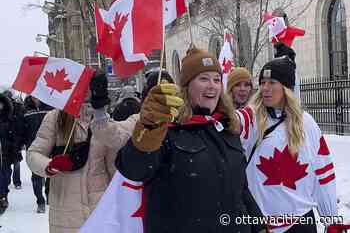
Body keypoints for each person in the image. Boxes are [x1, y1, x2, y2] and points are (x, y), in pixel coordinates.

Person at [116, 48, 267, 233]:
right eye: (203, 79)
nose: (212, 85)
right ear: (187, 87)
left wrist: (258, 226)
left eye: (216, 79)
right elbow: (134, 169)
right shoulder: (165, 130)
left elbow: (241, 189)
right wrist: (149, 128)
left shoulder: (227, 129)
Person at [237, 45, 337, 232]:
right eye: (263, 82)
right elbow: (233, 122)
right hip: (262, 226)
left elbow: (324, 173)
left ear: (287, 88)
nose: (265, 88)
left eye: (272, 82)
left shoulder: (306, 123)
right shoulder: (253, 117)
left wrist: (331, 220)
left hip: (301, 224)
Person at [26, 74, 138, 233]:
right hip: (65, 209)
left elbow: (112, 165)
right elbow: (33, 154)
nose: (85, 91)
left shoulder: (103, 120)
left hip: (99, 207)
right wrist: (49, 165)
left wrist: (122, 196)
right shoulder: (55, 118)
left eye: (89, 86)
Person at [23, 96, 53, 213]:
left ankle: (49, 194)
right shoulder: (26, 110)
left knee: (51, 172)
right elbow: (21, 129)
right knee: (36, 175)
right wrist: (21, 142)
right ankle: (40, 201)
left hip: (51, 147)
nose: (36, 98)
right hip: (34, 147)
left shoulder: (51, 108)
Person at [0, 93, 22, 214]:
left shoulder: (10, 118)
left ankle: (4, 194)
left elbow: (15, 135)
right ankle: (1, 197)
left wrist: (14, 146)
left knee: (6, 176)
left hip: (6, 153)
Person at [3, 90, 24, 190]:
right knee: (6, 163)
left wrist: (20, 139)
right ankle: (6, 181)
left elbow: (20, 124)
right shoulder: (3, 109)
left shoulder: (17, 108)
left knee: (16, 162)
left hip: (15, 139)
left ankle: (17, 182)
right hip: (6, 141)